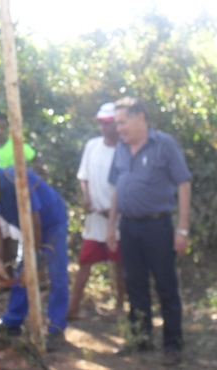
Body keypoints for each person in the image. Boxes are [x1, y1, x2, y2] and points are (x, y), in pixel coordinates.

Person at [106, 96, 191, 367]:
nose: (118, 128)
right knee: (135, 284)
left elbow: (184, 184)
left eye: (122, 122)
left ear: (140, 118)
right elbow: (117, 188)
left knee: (166, 286)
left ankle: (172, 345)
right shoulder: (121, 148)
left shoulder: (164, 144)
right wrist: (111, 226)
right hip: (129, 226)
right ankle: (141, 338)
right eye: (116, 123)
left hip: (157, 226)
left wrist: (182, 229)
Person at [0, 155, 69, 350]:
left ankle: (56, 328)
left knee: (56, 274)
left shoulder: (15, 178)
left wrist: (33, 259)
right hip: (27, 226)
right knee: (22, 274)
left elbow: (35, 219)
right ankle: (13, 321)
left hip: (51, 221)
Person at [67, 102, 125, 320]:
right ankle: (73, 307)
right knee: (85, 262)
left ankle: (120, 307)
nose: (103, 127)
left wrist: (116, 209)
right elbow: (84, 176)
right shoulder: (92, 146)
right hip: (95, 219)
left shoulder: (125, 149)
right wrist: (86, 197)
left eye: (108, 123)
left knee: (120, 265)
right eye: (101, 123)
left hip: (118, 220)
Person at [0, 111, 43, 274]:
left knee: (22, 235)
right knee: (2, 237)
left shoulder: (17, 145)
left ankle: (28, 269)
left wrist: (33, 182)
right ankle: (7, 273)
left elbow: (36, 160)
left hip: (16, 199)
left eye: (2, 127)